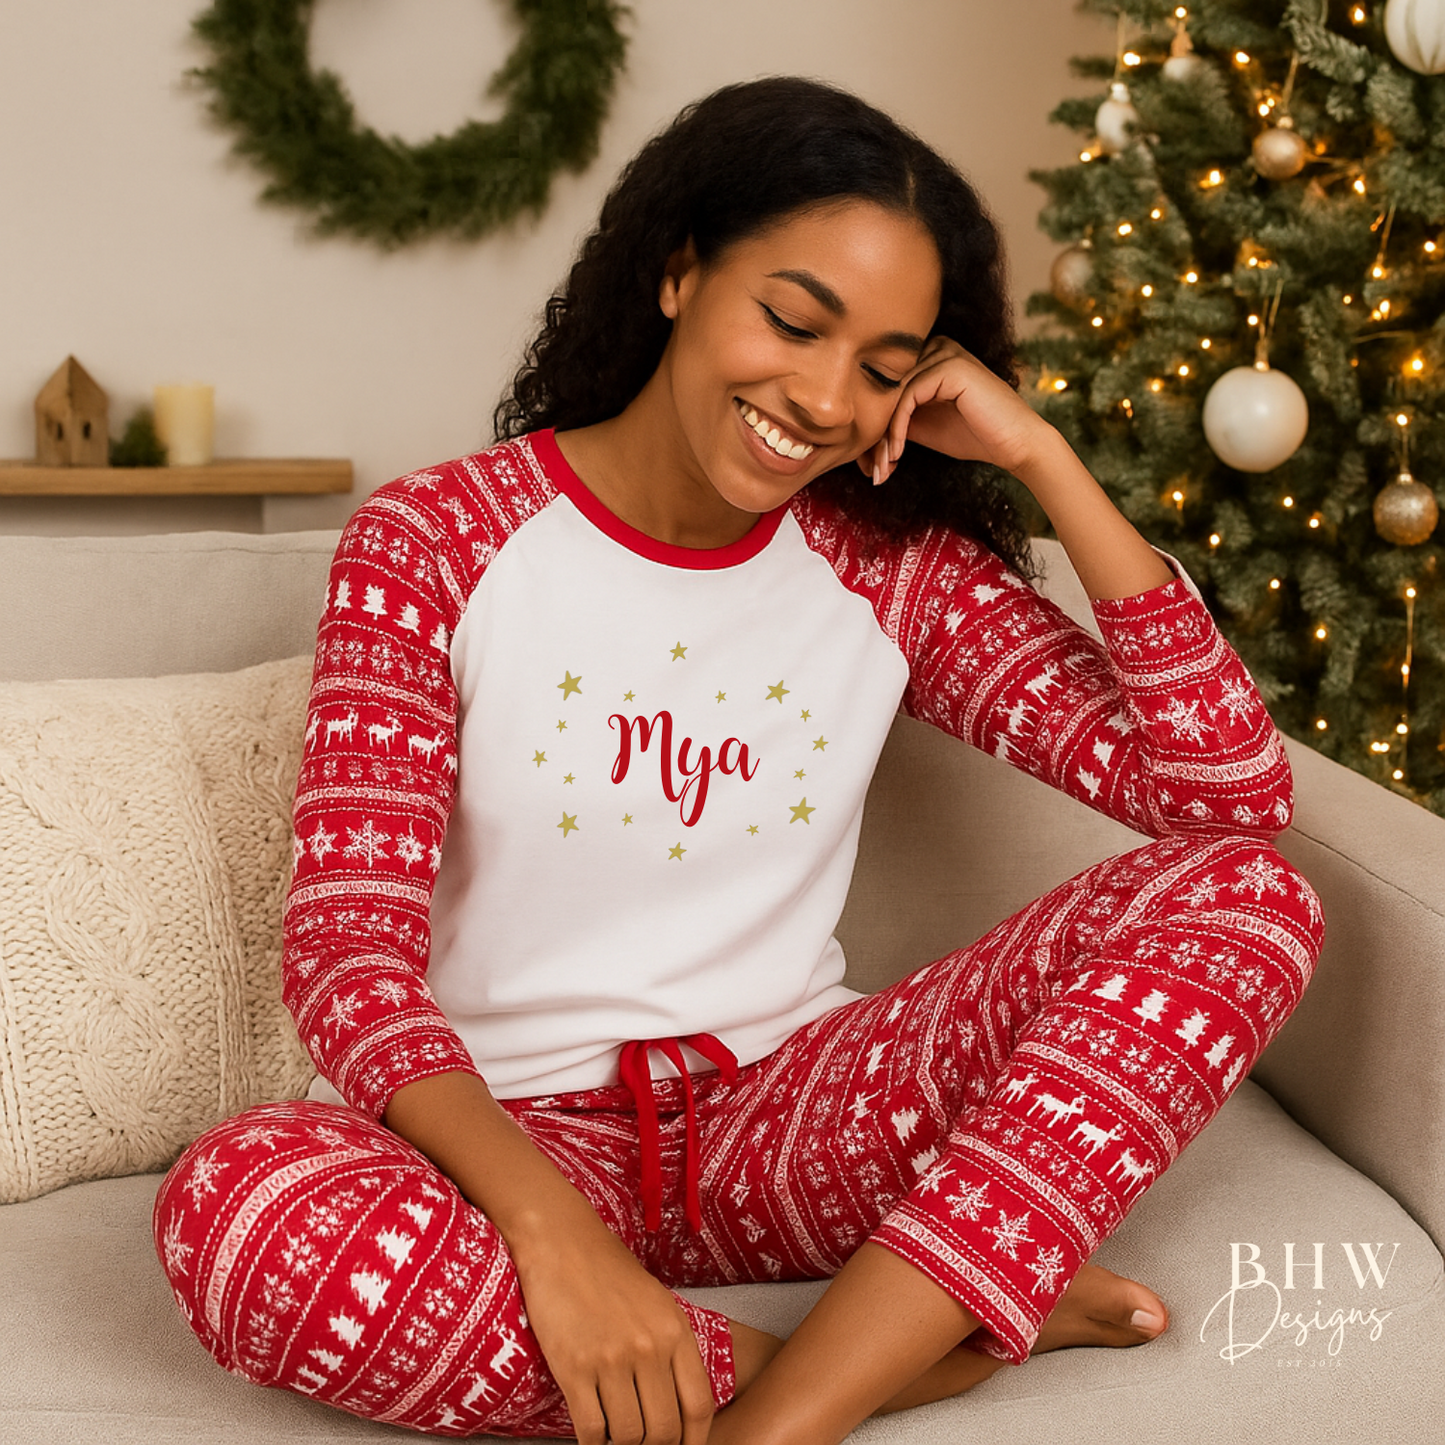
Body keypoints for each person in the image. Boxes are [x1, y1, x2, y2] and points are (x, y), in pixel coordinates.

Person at [154, 76, 1324, 1445]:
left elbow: (1228, 802)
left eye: (885, 368)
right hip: (518, 1142)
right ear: (677, 270)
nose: (825, 400)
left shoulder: (888, 573)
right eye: (792, 321)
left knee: (1251, 897)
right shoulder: (438, 542)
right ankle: (905, 1333)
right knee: (242, 1211)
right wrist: (553, 1237)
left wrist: (1042, 457)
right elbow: (346, 958)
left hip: (796, 1125)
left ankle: (784, 1420)